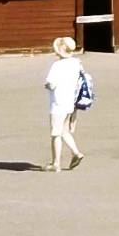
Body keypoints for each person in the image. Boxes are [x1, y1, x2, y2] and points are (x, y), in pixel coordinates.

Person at [43, 37, 91, 171]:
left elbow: (51, 83)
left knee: (55, 133)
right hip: (70, 102)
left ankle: (56, 163)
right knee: (64, 130)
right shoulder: (76, 63)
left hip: (58, 103)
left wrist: (47, 86)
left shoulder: (57, 65)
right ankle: (76, 152)